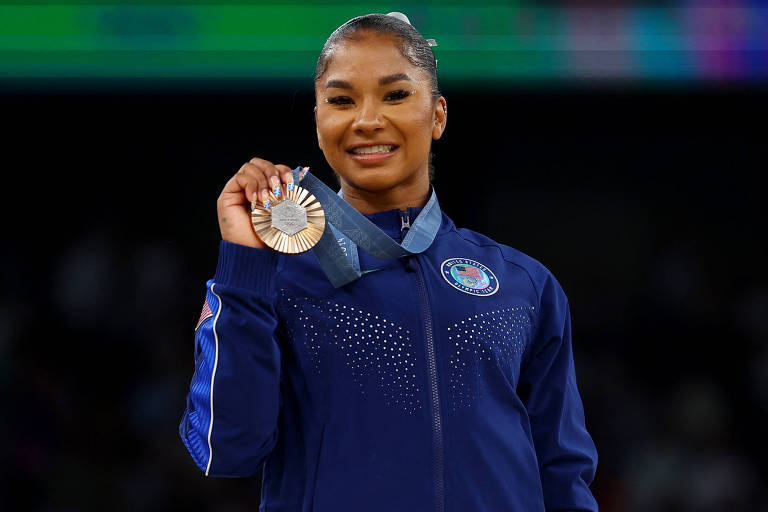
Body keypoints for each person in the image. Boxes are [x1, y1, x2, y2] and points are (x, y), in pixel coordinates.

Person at [180, 12, 598, 512]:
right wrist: (243, 265)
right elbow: (225, 448)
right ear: (318, 121)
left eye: (396, 95)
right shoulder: (274, 276)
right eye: (341, 100)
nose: (367, 120)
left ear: (438, 115)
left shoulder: (523, 283)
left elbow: (563, 471)